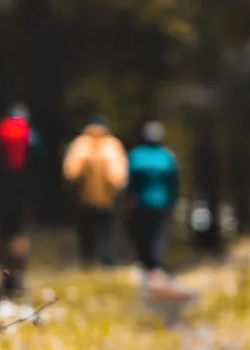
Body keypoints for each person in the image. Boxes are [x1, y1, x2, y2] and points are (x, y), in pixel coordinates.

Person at [125, 120, 194, 304]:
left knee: (143, 234)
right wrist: (173, 200)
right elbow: (175, 182)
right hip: (161, 202)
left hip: (142, 202)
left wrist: (129, 199)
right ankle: (154, 265)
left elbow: (130, 181)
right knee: (157, 234)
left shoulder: (136, 156)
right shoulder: (166, 157)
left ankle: (147, 265)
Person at [62, 114, 128, 267]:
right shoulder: (112, 145)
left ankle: (87, 261)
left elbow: (70, 172)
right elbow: (118, 176)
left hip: (84, 198)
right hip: (107, 199)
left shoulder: (80, 144)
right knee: (106, 231)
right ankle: (105, 261)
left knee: (86, 232)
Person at [0, 102, 41, 298]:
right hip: (23, 190)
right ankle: (19, 274)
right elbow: (38, 162)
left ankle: (5, 274)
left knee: (3, 233)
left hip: (2, 190)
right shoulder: (31, 135)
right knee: (19, 233)